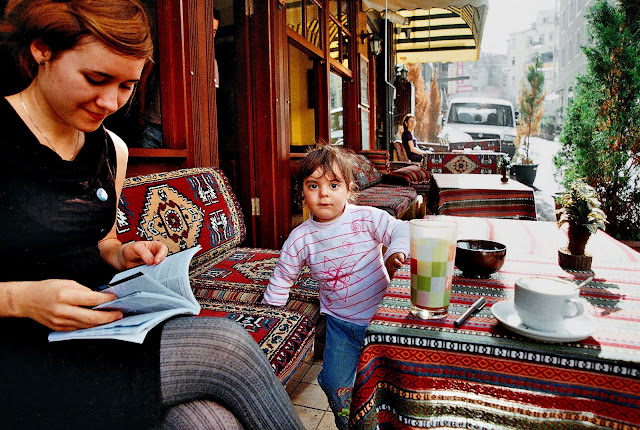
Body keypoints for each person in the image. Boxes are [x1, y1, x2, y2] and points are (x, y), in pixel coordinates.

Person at [0, 1, 304, 429]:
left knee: (208, 423)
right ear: (42, 50)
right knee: (227, 346)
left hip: (100, 327)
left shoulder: (111, 149)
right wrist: (21, 300)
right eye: (96, 79)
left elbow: (103, 241)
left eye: (126, 86)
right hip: (19, 346)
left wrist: (121, 254)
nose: (110, 102)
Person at [262, 145, 410, 430]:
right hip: (340, 326)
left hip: (381, 322)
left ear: (349, 188)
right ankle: (351, 424)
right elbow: (281, 279)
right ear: (302, 193)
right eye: (313, 185)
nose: (324, 194)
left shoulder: (366, 218)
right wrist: (270, 320)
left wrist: (395, 252)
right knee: (334, 383)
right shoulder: (300, 238)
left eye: (333, 184)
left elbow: (401, 229)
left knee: (390, 383)